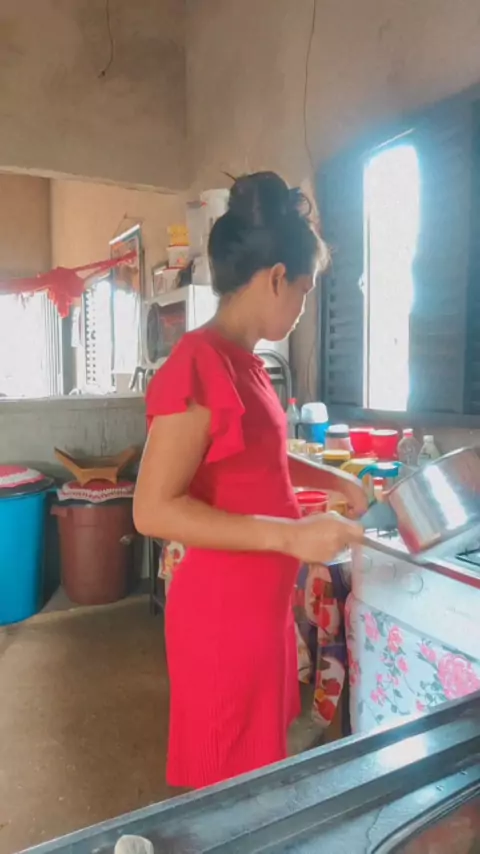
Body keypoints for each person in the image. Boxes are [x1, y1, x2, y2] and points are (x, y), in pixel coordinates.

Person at [133, 171, 363, 789]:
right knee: (228, 791)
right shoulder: (199, 362)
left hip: (261, 612)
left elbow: (263, 455)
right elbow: (152, 510)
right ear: (276, 278)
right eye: (305, 291)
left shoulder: (247, 363)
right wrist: (290, 536)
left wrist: (338, 482)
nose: (304, 307)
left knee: (257, 773)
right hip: (222, 620)